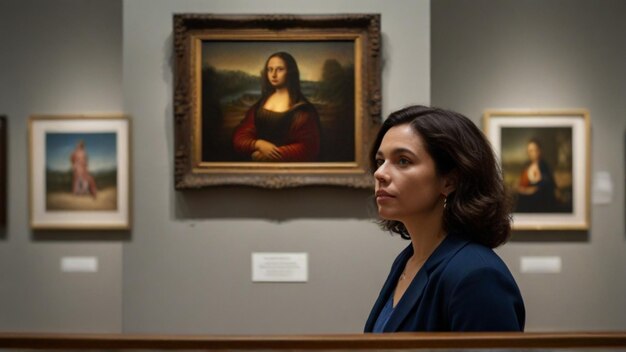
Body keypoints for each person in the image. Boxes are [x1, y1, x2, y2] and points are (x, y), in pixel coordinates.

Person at [364, 105, 524, 332]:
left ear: (449, 181)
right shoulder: (408, 260)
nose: (380, 173)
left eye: (403, 161)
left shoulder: (477, 275)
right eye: (381, 161)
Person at [232, 52, 321, 162]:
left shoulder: (303, 110)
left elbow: (309, 148)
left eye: (279, 69)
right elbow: (240, 136)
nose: (273, 74)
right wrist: (257, 144)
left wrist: (272, 154)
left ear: (290, 72)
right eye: (270, 69)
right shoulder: (261, 104)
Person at [515, 138, 558, 212]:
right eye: (529, 151)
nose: (531, 153)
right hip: (525, 200)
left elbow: (549, 184)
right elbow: (521, 182)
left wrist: (531, 190)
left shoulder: (544, 166)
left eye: (533, 150)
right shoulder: (526, 165)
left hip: (539, 201)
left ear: (539, 151)